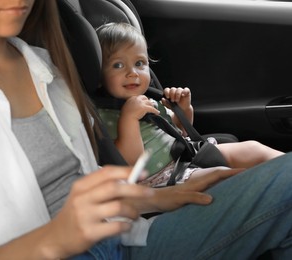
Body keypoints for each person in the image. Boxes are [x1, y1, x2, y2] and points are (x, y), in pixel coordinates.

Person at [0, 1, 291, 260]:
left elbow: (81, 185)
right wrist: (52, 240)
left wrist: (153, 199)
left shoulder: (44, 67)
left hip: (126, 237)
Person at [96, 22, 284, 186]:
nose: (133, 73)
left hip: (187, 155)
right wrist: (128, 119)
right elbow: (128, 165)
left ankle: (287, 173)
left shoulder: (148, 98)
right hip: (161, 178)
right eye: (118, 65)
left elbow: (180, 132)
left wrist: (183, 109)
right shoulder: (101, 115)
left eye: (139, 63)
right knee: (235, 180)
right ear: (97, 72)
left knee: (252, 148)